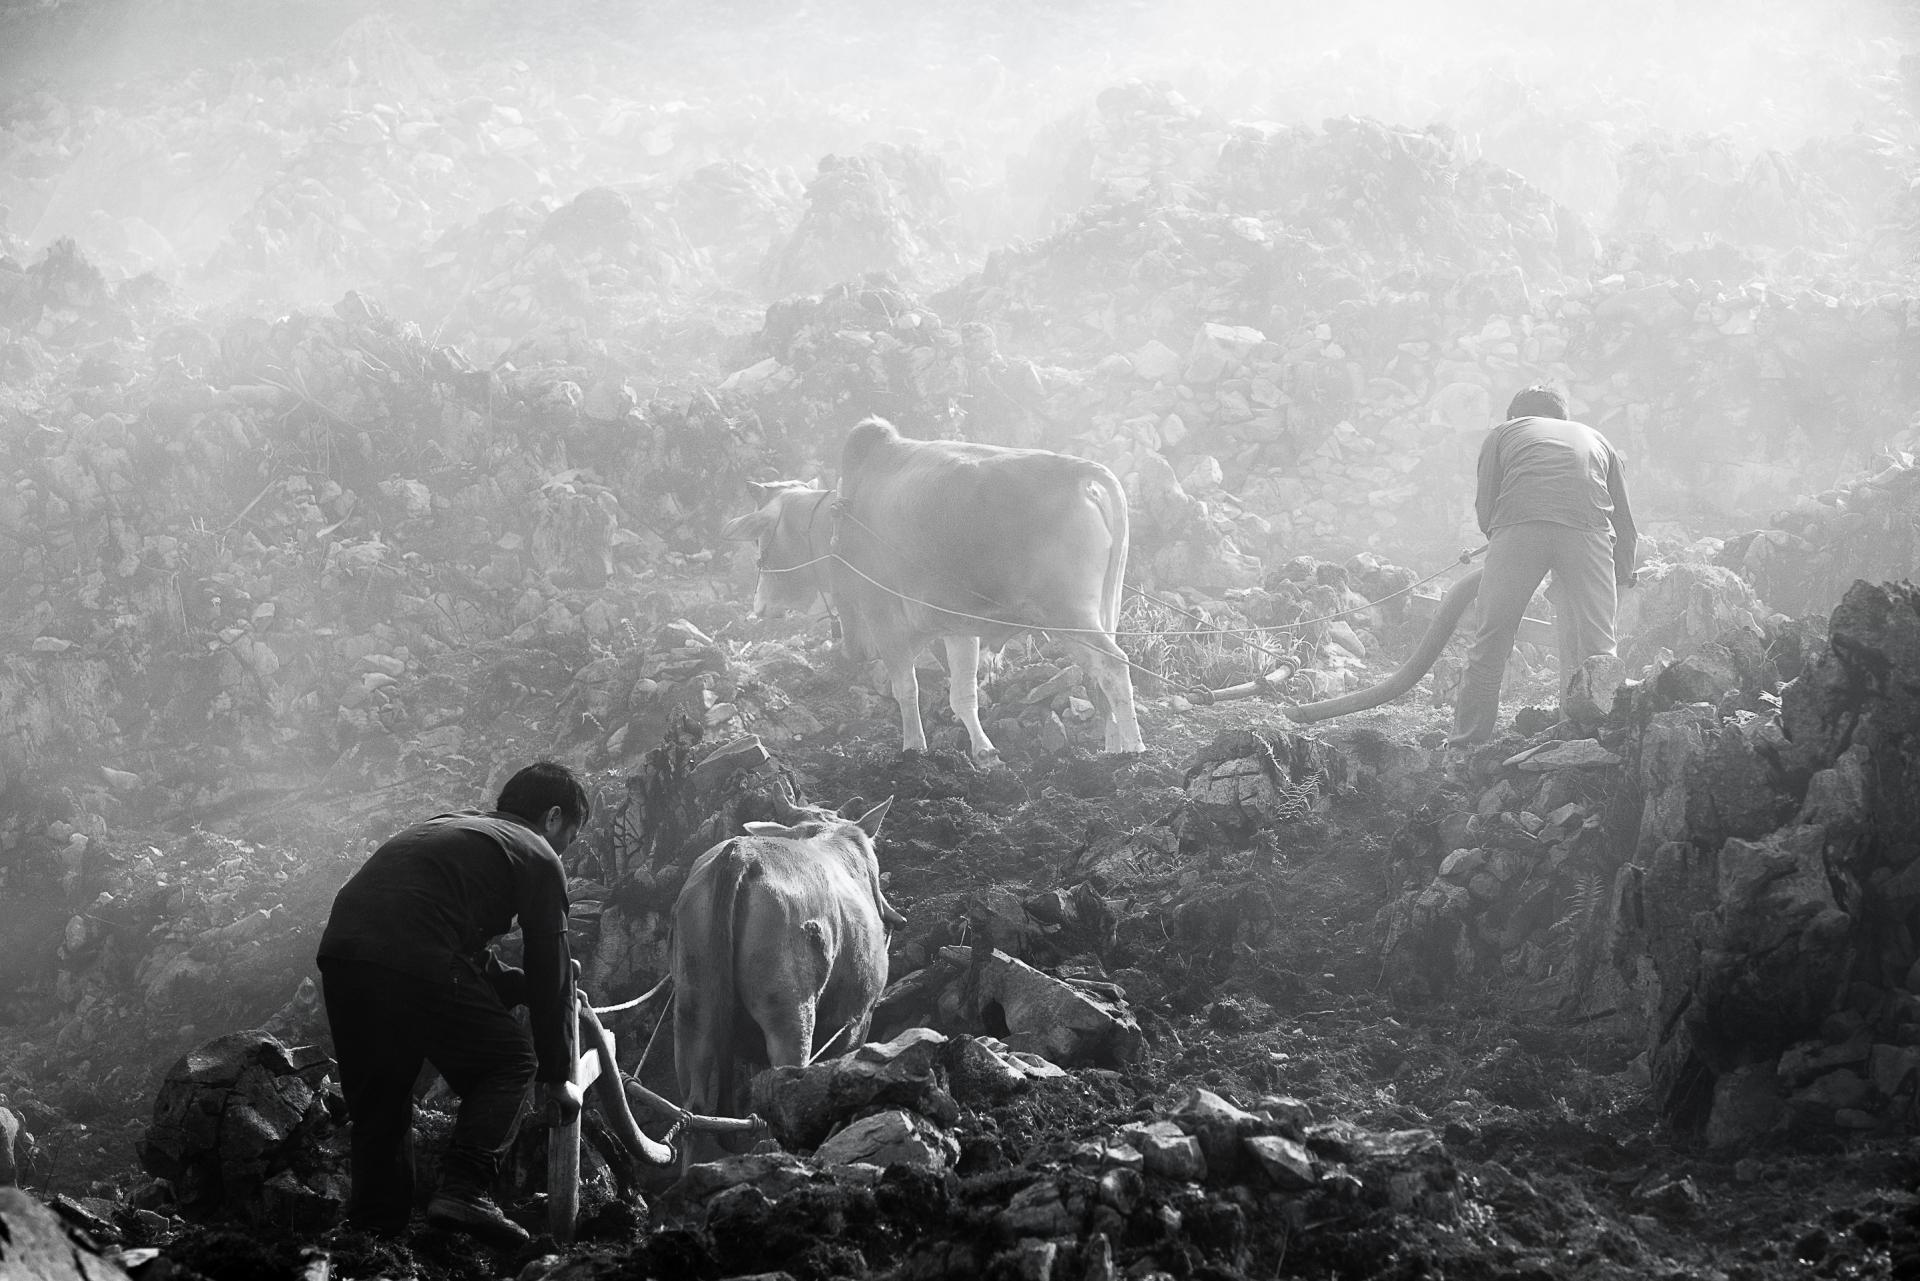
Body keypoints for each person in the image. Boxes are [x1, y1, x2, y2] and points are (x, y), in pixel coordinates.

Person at [316, 761, 590, 1248]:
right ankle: (466, 1189)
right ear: (553, 817)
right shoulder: (539, 855)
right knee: (508, 1063)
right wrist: (557, 1076)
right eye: (571, 834)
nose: (565, 847)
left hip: (345, 954)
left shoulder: (452, 828)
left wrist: (520, 986)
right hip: (417, 954)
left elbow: (463, 948)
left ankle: (374, 1235)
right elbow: (551, 962)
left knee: (382, 1100)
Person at [1451, 385, 1638, 746]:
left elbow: (1486, 504)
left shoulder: (1504, 432)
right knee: (1599, 649)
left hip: (1519, 528)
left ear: (1515, 414)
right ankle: (1604, 741)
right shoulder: (1596, 438)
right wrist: (1620, 575)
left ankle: (1467, 744)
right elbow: (1626, 524)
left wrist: (1504, 541)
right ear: (1563, 418)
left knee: (1491, 641)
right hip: (1588, 532)